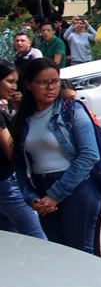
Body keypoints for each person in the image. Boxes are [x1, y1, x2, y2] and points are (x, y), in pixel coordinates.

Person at [12, 58, 101, 253]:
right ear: (28, 85)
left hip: (76, 188)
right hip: (42, 191)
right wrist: (32, 198)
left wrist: (55, 195)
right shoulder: (22, 119)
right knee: (60, 256)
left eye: (55, 82)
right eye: (43, 83)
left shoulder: (72, 110)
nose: (50, 88)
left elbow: (89, 155)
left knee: (81, 255)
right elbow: (19, 164)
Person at [0, 60, 45, 239]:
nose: (14, 87)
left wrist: (19, 109)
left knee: (9, 240)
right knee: (37, 238)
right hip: (6, 183)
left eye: (15, 82)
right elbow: (11, 150)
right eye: (9, 81)